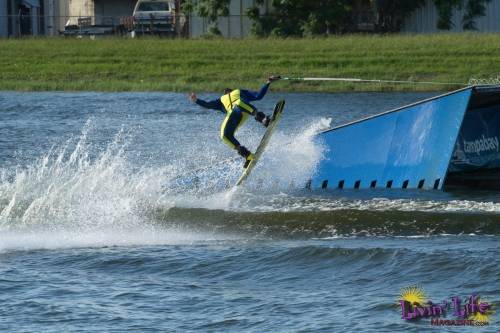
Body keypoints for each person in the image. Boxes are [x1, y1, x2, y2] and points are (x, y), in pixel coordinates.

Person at [189, 76, 281, 167]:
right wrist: (196, 100)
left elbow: (258, 96)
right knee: (223, 135)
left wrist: (268, 82)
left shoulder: (239, 92)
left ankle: (264, 120)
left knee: (238, 103)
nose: (227, 92)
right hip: (234, 117)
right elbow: (207, 104)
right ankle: (247, 155)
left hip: (245, 109)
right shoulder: (220, 101)